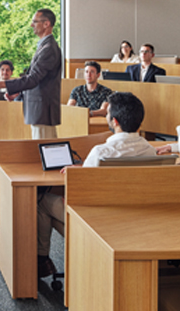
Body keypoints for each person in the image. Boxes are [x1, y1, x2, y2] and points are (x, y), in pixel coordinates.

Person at [36, 92, 155, 277]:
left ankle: (42, 260)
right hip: (134, 219)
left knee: (42, 202)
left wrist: (75, 170)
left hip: (98, 221)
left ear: (114, 121)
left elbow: (80, 189)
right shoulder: (149, 151)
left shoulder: (101, 152)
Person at [0, 9, 61, 139]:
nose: (31, 25)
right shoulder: (44, 45)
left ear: (46, 24)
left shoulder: (48, 48)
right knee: (43, 151)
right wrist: (20, 93)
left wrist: (0, 84)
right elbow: (39, 80)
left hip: (42, 111)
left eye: (35, 21)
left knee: (44, 151)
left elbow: (33, 78)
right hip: (39, 110)